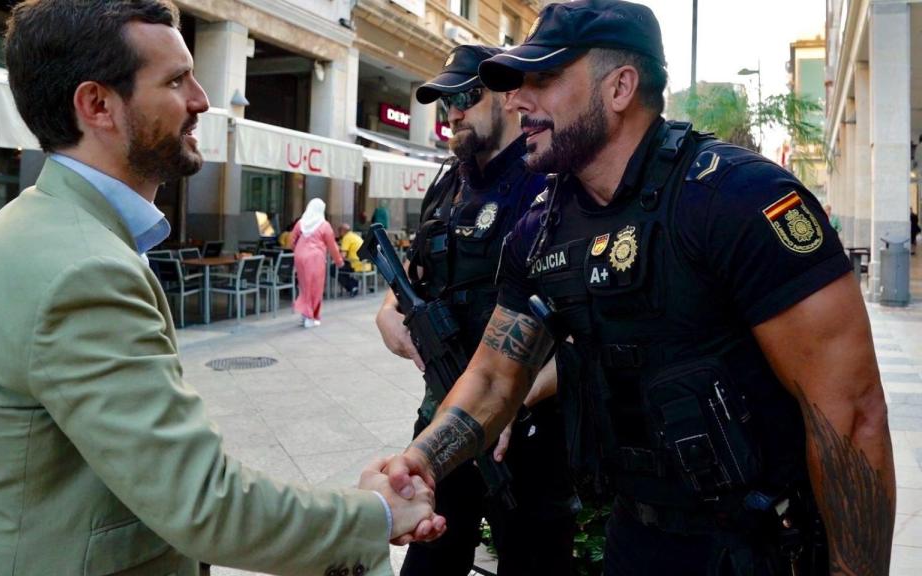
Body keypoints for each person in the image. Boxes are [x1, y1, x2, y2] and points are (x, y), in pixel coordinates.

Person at [384, 2, 895, 575]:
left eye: (544, 79)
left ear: (620, 87)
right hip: (637, 540)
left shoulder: (737, 200)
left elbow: (850, 416)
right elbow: (496, 376)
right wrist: (421, 461)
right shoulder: (539, 227)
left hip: (760, 548)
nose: (517, 99)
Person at [0, 2, 443, 575]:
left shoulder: (37, 225)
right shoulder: (84, 268)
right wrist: (374, 514)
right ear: (97, 105)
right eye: (176, 80)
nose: (202, 99)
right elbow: (204, 504)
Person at [376, 44, 578, 576]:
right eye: (445, 102)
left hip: (529, 437)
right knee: (428, 563)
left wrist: (512, 399)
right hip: (444, 420)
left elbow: (580, 326)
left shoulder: (548, 183)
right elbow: (412, 282)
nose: (454, 112)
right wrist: (392, 316)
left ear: (511, 98)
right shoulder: (448, 187)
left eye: (466, 95)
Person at [291, 198, 344, 327]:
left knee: (304, 287)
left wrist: (298, 250)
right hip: (315, 258)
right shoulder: (324, 225)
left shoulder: (301, 223)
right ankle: (310, 317)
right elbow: (332, 246)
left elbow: (291, 240)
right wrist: (339, 261)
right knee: (315, 287)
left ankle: (305, 314)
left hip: (300, 257)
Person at [335, 222, 369, 296]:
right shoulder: (354, 236)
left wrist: (335, 256)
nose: (338, 233)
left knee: (334, 269)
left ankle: (353, 286)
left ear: (343, 231)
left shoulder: (346, 238)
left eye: (339, 231)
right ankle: (353, 284)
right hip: (364, 263)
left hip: (356, 264)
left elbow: (342, 256)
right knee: (341, 268)